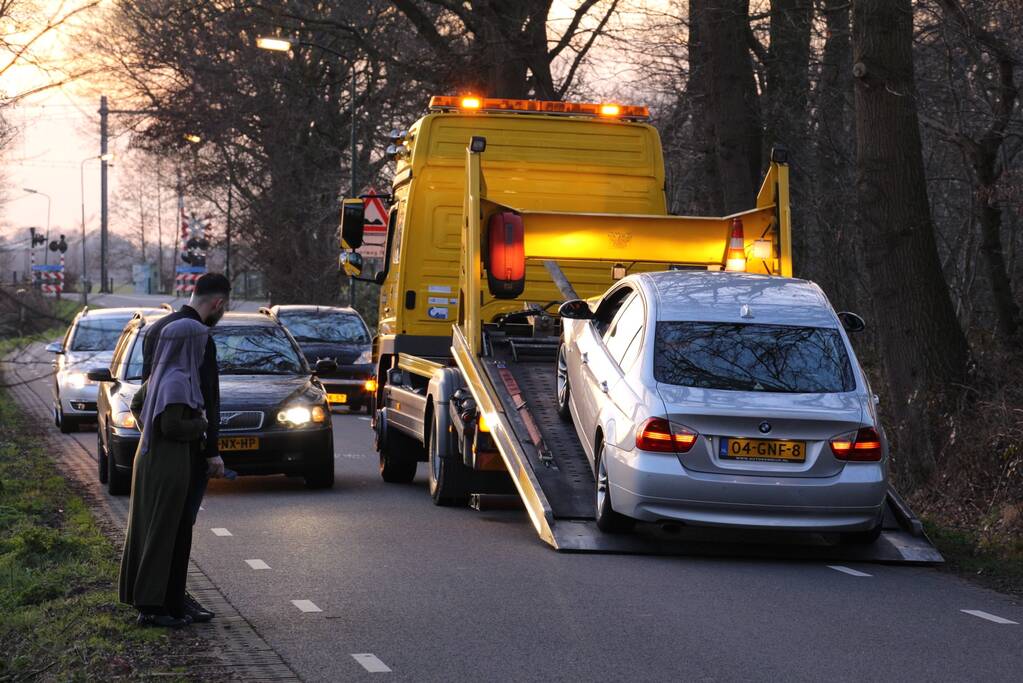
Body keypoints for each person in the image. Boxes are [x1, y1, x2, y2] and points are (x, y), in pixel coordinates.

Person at [140, 272, 231, 623]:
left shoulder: (157, 329)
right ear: (218, 303)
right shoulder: (199, 338)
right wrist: (212, 448)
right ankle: (170, 599)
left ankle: (171, 596)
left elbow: (146, 393)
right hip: (186, 448)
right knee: (180, 524)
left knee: (164, 525)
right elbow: (209, 398)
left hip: (155, 444)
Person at [120, 318, 209, 627]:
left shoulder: (161, 375)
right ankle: (152, 607)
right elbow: (170, 426)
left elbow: (137, 403)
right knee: (162, 531)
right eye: (199, 344)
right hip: (169, 464)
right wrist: (201, 425)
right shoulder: (178, 380)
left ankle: (155, 601)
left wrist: (148, 434)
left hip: (152, 459)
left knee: (151, 528)